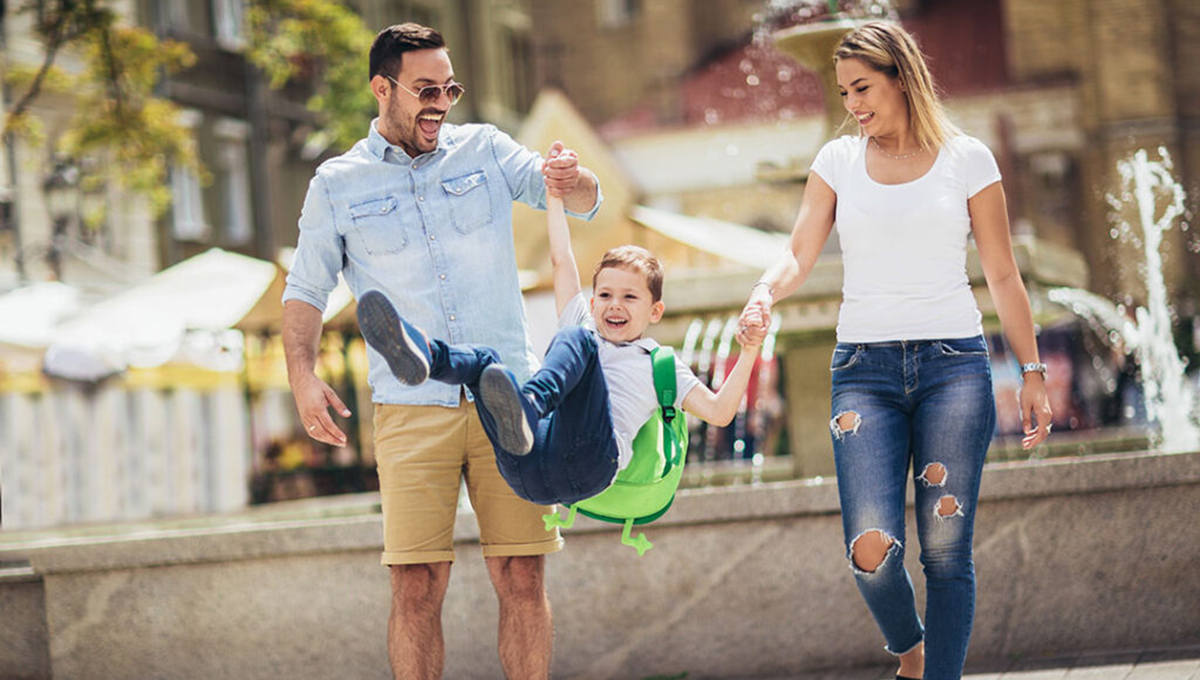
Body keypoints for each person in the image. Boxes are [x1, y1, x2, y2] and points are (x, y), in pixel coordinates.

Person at [281, 23, 602, 680]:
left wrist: (575, 175)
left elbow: (575, 198)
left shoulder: (483, 149)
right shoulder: (337, 183)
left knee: (520, 573)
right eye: (425, 90)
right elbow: (306, 288)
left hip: (508, 395)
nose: (440, 103)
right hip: (409, 407)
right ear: (382, 88)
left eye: (449, 89)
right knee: (417, 586)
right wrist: (303, 377)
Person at [738, 21, 1053, 680]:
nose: (852, 105)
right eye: (844, 91)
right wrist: (765, 293)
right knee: (870, 552)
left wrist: (1031, 370)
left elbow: (1001, 273)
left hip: (954, 369)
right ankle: (910, 649)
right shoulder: (837, 162)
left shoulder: (968, 159)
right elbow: (799, 252)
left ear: (901, 77)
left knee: (945, 550)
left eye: (863, 88)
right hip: (864, 373)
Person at [356, 194, 765, 506]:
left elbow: (720, 412)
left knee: (578, 339)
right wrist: (553, 196)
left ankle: (528, 405)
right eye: (604, 294)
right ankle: (426, 358)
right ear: (592, 301)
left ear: (655, 311)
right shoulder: (583, 324)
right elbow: (561, 261)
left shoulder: (660, 363)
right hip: (524, 470)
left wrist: (748, 352)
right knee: (483, 360)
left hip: (590, 464)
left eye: (629, 297)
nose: (614, 305)